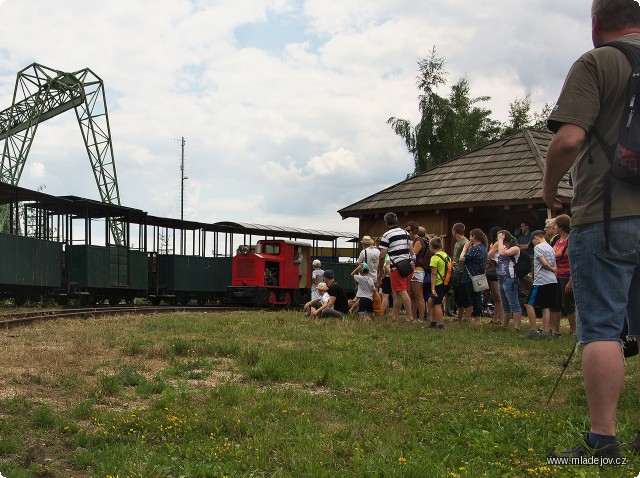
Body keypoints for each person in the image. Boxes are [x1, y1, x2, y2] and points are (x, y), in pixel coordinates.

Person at [542, 0, 640, 458]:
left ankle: (603, 442)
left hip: (607, 214)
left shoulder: (598, 61)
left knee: (601, 328)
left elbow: (570, 138)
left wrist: (549, 187)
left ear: (597, 23)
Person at [522, 230, 560, 339]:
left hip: (541, 280)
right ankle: (545, 331)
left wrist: (551, 268)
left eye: (532, 240)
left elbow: (543, 263)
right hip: (552, 280)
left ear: (537, 237)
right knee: (545, 305)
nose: (533, 243)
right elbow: (554, 264)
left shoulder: (538, 248)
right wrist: (554, 270)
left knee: (529, 304)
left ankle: (533, 330)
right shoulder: (550, 248)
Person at [377, 212, 414, 322]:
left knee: (402, 291)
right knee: (396, 292)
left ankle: (410, 316)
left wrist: (380, 270)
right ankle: (395, 316)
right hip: (407, 265)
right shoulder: (406, 233)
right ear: (396, 221)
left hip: (396, 266)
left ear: (386, 223)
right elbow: (411, 250)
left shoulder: (387, 235)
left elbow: (382, 255)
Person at [549, 214, 576, 337]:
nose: (554, 227)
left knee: (568, 304)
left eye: (555, 225)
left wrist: (571, 280)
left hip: (567, 275)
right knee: (554, 303)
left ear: (561, 226)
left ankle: (574, 331)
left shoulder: (571, 240)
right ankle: (555, 330)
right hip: (555, 275)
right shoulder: (555, 239)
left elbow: (574, 261)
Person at [458, 228, 488, 325]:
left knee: (474, 298)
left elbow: (462, 258)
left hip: (472, 277)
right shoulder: (483, 248)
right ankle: (477, 319)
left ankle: (477, 320)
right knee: (477, 297)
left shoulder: (475, 248)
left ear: (474, 236)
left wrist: (465, 248)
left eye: (470, 236)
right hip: (479, 276)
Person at [496, 230, 522, 331]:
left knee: (513, 302)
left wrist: (500, 240)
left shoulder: (515, 248)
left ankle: (517, 327)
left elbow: (502, 253)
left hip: (510, 278)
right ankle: (504, 325)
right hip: (501, 278)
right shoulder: (503, 247)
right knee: (505, 303)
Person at [406, 222, 427, 323]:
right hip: (412, 269)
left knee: (418, 295)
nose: (407, 232)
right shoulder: (412, 240)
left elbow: (413, 254)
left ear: (414, 231)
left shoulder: (418, 241)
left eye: (408, 230)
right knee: (411, 294)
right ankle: (413, 317)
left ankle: (421, 318)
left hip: (418, 269)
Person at [427, 236, 449, 329]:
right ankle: (433, 321)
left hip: (438, 283)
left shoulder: (435, 258)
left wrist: (432, 288)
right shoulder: (446, 256)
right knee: (430, 301)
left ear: (431, 246)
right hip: (446, 282)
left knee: (437, 304)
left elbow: (434, 274)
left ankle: (440, 325)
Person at [451, 222, 471, 321]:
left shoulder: (465, 242)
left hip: (463, 271)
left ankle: (467, 318)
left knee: (464, 294)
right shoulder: (457, 242)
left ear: (454, 231)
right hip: (455, 271)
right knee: (457, 294)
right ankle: (459, 317)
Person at [486, 226, 505, 326]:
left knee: (498, 296)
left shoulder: (497, 244)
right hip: (494, 270)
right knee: (496, 296)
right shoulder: (494, 243)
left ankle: (501, 319)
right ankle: (495, 318)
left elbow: (488, 255)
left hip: (498, 269)